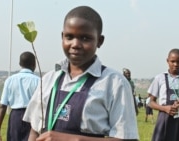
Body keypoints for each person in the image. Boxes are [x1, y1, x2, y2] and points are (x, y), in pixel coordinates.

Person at [23, 6, 139, 141]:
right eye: (69, 37)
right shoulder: (49, 79)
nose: (75, 44)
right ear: (62, 37)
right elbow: (34, 130)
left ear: (100, 41)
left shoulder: (114, 83)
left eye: (85, 38)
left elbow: (128, 139)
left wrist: (73, 139)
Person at [147, 48, 179, 141]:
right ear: (167, 61)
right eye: (172, 61)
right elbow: (151, 102)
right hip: (164, 117)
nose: (176, 64)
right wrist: (165, 108)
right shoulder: (160, 78)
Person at [0, 51, 40, 141]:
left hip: (15, 117)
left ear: (20, 64)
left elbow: (2, 106)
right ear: (34, 64)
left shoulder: (10, 80)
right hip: (32, 117)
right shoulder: (38, 81)